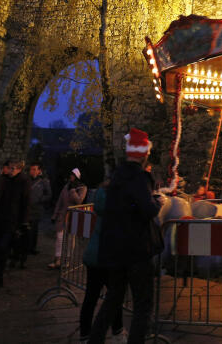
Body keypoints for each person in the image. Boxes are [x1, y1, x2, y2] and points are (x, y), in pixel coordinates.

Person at [88, 128, 162, 344]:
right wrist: (157, 202)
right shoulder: (138, 178)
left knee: (113, 300)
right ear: (144, 153)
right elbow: (147, 210)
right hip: (136, 250)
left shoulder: (116, 177)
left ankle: (95, 338)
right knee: (142, 304)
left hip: (114, 250)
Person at [79, 178, 124, 342]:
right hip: (109, 257)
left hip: (94, 255)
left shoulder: (101, 200)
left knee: (90, 297)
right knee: (115, 296)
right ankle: (117, 331)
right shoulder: (120, 207)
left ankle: (84, 334)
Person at [0, 158, 31, 297]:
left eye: (13, 168)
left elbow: (26, 202)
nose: (10, 170)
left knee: (3, 248)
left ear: (19, 169)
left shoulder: (23, 182)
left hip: (12, 222)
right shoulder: (3, 179)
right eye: (9, 168)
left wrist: (23, 223)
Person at [50, 168, 88, 269]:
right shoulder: (66, 187)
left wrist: (73, 191)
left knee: (71, 240)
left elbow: (79, 201)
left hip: (73, 216)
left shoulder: (82, 188)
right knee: (59, 238)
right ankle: (58, 259)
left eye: (72, 175)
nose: (70, 177)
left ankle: (67, 260)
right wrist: (55, 214)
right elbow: (60, 201)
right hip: (62, 215)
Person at [26, 162, 51, 256]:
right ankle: (25, 247)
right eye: (31, 169)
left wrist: (40, 199)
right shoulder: (27, 180)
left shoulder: (44, 182)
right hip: (27, 208)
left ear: (39, 171)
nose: (32, 171)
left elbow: (49, 194)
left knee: (33, 229)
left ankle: (32, 247)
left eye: (34, 169)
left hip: (36, 209)